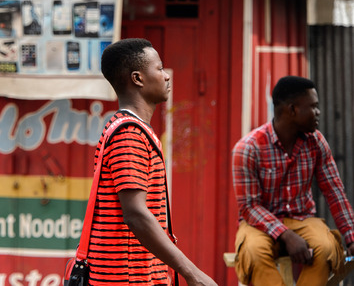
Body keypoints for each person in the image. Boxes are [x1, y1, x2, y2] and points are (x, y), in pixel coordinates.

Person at [87, 38, 218, 285]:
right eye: (159, 68)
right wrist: (192, 273)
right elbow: (135, 213)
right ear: (138, 79)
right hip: (126, 278)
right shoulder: (129, 134)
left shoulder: (131, 129)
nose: (166, 76)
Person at [232, 75, 354, 286]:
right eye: (314, 107)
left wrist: (351, 236)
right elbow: (249, 207)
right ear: (292, 110)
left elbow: (334, 191)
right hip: (259, 224)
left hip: (303, 218)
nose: (318, 113)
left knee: (326, 249)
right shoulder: (248, 148)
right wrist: (285, 235)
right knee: (253, 253)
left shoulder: (316, 142)